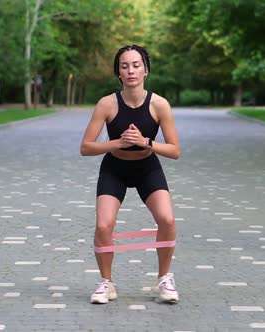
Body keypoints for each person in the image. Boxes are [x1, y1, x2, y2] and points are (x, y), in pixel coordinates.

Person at [80, 44, 180, 304]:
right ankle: (106, 283)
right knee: (103, 225)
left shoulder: (159, 105)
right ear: (118, 73)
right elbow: (86, 147)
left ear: (145, 70)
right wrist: (117, 143)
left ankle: (164, 280)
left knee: (167, 220)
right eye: (125, 66)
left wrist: (146, 142)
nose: (131, 70)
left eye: (136, 65)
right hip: (115, 168)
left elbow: (175, 150)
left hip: (147, 167)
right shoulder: (107, 104)